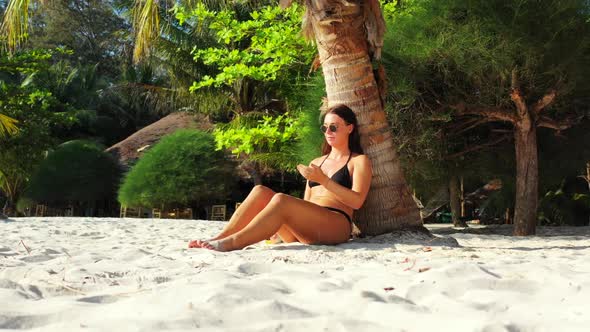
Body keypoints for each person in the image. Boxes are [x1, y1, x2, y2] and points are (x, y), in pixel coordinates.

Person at [188, 104, 372, 251]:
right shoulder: (317, 162)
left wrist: (324, 180)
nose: (328, 132)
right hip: (308, 227)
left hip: (336, 225)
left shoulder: (358, 161)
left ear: (349, 128)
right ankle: (219, 238)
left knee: (281, 199)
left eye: (334, 127)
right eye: (325, 128)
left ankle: (233, 242)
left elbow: (357, 202)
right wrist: (277, 225)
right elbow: (305, 202)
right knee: (260, 190)